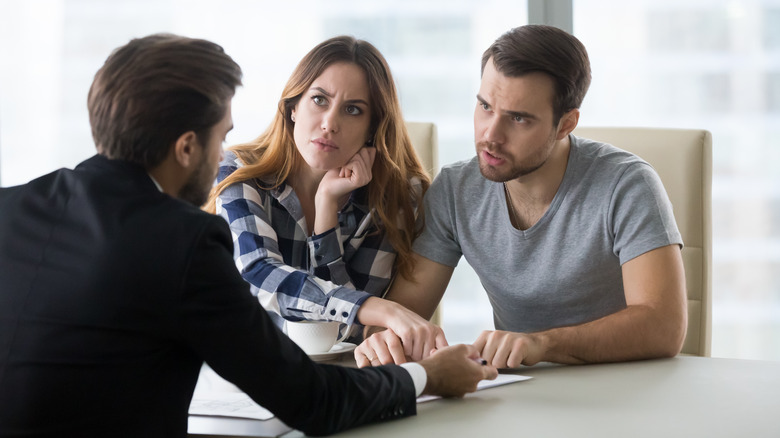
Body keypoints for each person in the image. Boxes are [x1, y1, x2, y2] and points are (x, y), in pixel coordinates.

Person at [0, 34, 497, 438]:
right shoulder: (187, 241)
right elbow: (314, 403)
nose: (226, 149)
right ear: (188, 147)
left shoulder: (9, 206)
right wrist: (429, 377)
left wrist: (326, 215)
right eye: (222, 133)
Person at [355, 24, 688, 369]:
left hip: (628, 389)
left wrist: (541, 343)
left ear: (565, 124)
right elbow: (401, 313)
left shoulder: (627, 184)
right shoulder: (456, 190)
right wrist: (385, 338)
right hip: (521, 392)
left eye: (518, 118)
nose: (491, 135)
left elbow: (664, 327)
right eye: (485, 106)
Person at [204, 36, 445, 357]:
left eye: (353, 110)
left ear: (372, 128)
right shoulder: (238, 171)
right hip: (245, 372)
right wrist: (382, 310)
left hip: (344, 375)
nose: (330, 123)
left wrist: (326, 214)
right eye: (319, 100)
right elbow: (260, 274)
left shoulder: (396, 197)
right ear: (293, 107)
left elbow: (349, 332)